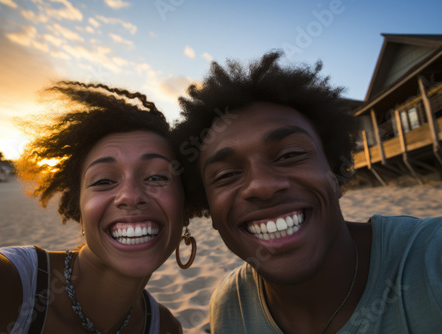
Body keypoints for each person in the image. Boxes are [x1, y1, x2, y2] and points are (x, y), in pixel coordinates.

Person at [172, 51, 442, 333]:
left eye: (290, 155)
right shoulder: (230, 307)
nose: (262, 186)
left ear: (335, 172)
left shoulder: (431, 260)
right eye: (226, 175)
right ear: (209, 208)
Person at [0, 81, 192, 333]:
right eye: (103, 180)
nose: (130, 195)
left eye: (156, 176)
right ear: (79, 209)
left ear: (186, 206)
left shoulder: (166, 328)